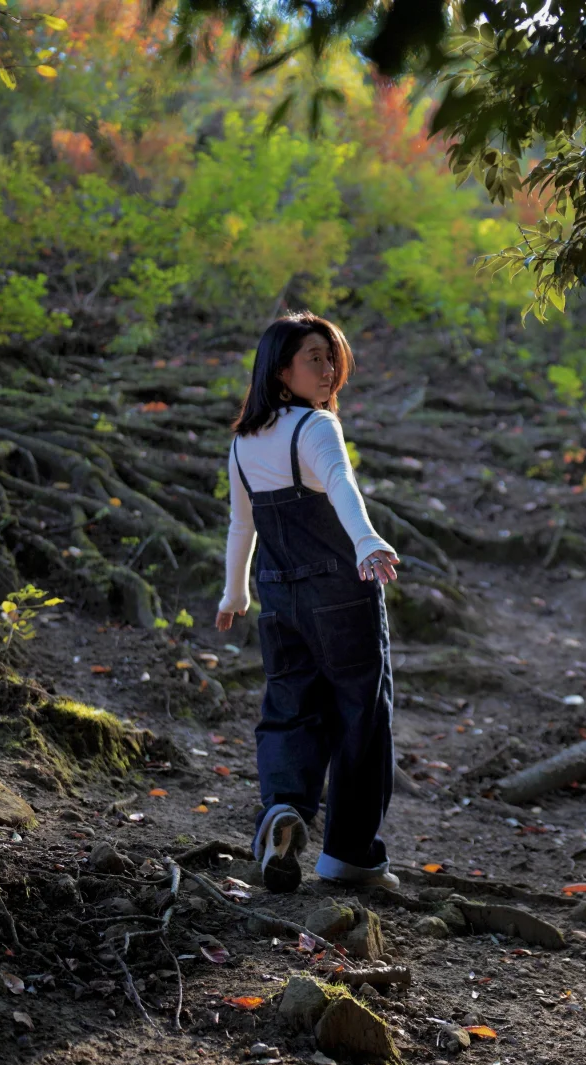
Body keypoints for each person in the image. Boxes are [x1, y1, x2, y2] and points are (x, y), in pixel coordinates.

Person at [214, 313, 402, 893]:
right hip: (340, 593)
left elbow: (241, 526)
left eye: (330, 357)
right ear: (280, 371)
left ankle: (282, 808)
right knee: (360, 717)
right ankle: (350, 857)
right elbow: (342, 485)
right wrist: (368, 542)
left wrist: (236, 590)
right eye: (313, 359)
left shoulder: (245, 441)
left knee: (290, 708)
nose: (327, 370)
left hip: (279, 596)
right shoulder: (315, 427)